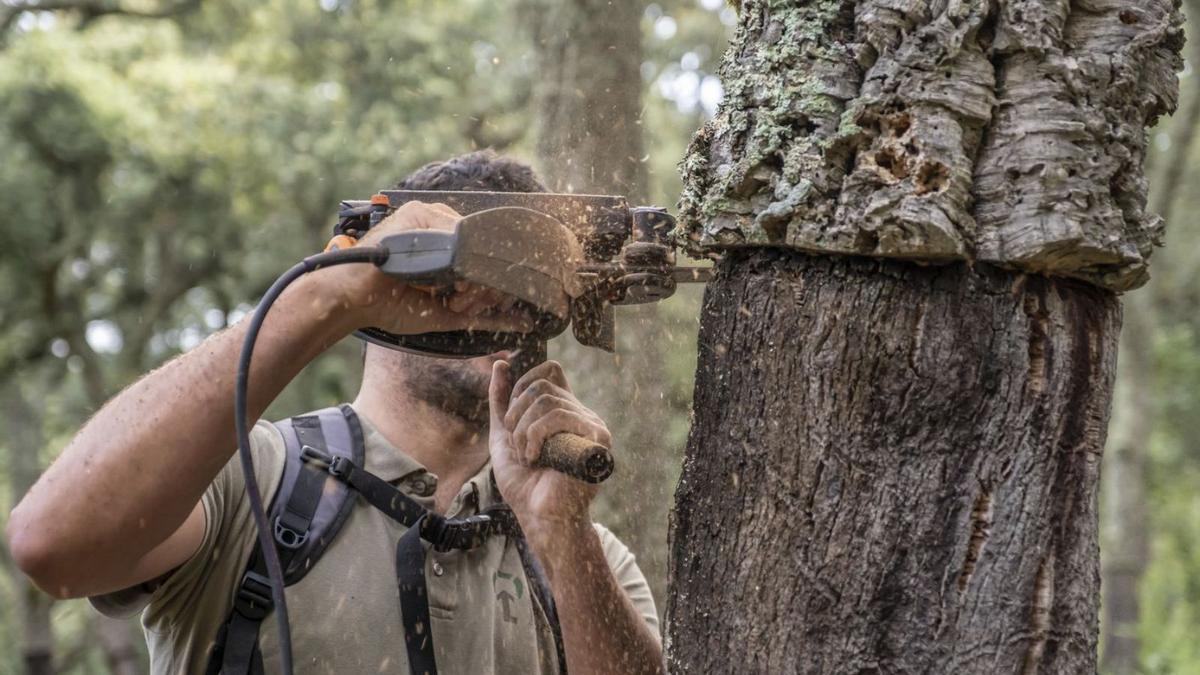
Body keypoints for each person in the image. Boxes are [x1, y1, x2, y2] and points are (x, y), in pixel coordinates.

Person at [6, 151, 663, 674]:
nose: (495, 302)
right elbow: (52, 546)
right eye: (464, 274)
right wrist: (333, 291)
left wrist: (563, 536)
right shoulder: (256, 482)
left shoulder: (581, 547)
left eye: (524, 282)